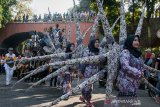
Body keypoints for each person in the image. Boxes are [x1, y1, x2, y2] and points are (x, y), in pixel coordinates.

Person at [116, 35, 145, 106]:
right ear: (130, 41)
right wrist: (138, 72)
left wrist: (142, 72)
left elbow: (141, 65)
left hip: (134, 83)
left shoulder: (137, 54)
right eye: (135, 40)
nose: (137, 42)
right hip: (126, 82)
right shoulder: (125, 52)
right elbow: (125, 67)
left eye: (138, 40)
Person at [79, 39, 100, 107]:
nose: (97, 43)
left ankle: (83, 97)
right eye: (96, 42)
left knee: (88, 86)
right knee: (88, 87)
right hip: (87, 72)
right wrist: (81, 72)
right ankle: (88, 102)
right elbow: (83, 62)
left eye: (98, 42)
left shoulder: (98, 51)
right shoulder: (87, 51)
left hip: (94, 72)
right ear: (92, 43)